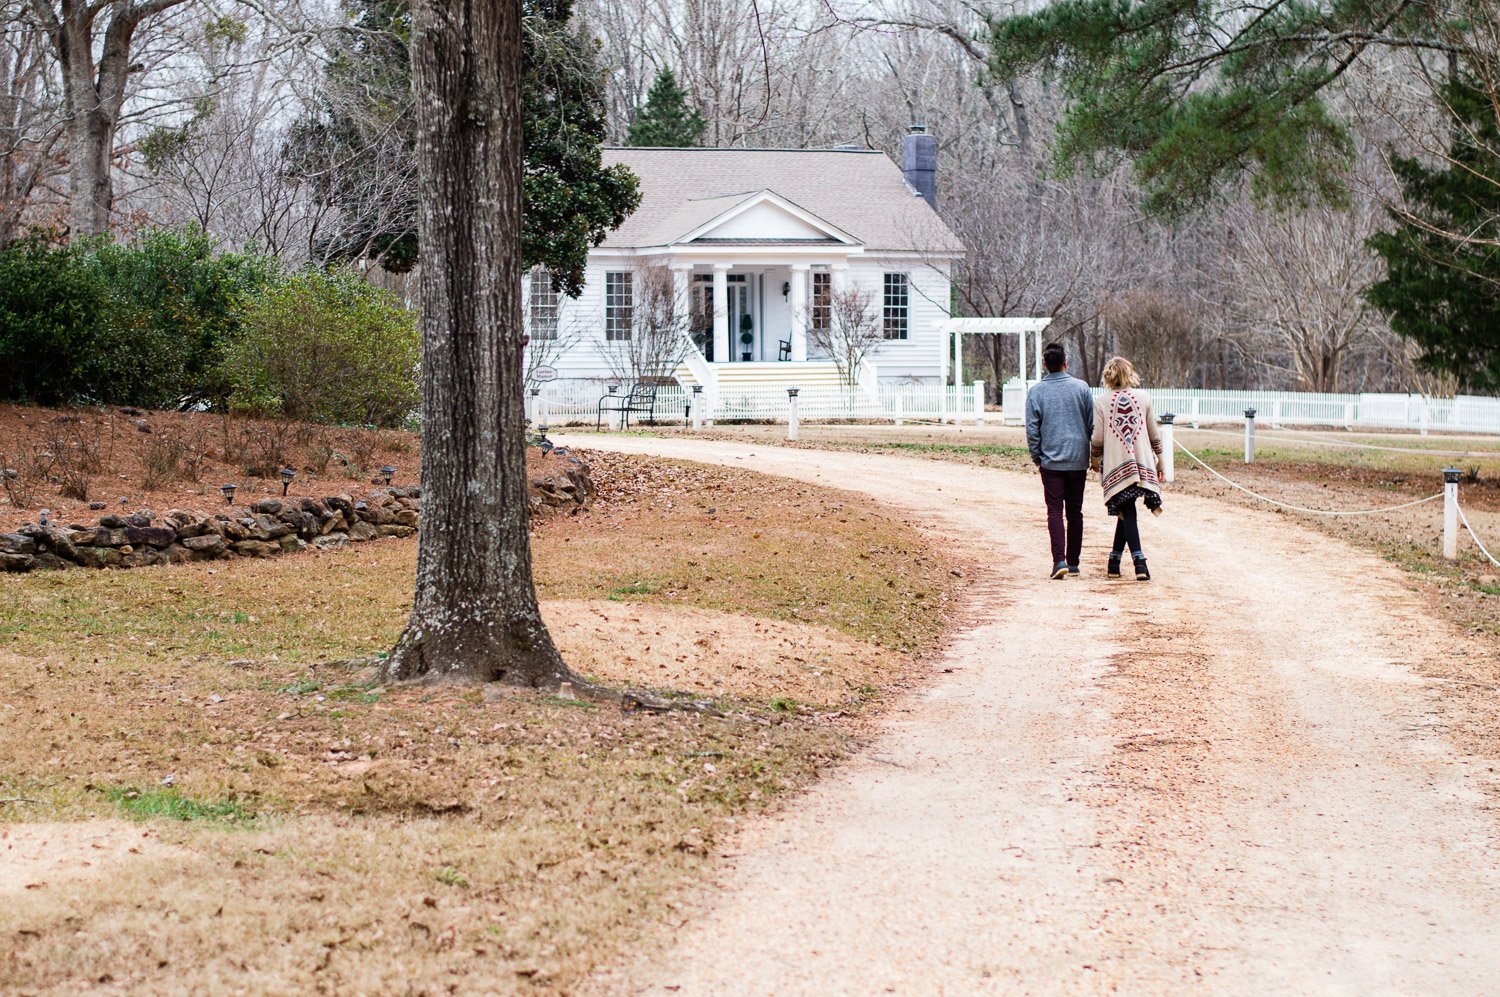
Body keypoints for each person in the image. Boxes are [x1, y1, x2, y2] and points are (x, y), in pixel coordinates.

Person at [1025, 342, 1095, 579]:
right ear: (1066, 363)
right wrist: (1090, 453)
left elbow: (1032, 430)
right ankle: (1073, 562)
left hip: (1051, 461)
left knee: (1054, 510)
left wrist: (1037, 457)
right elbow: (1091, 424)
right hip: (1077, 459)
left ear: (1045, 364)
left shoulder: (1036, 392)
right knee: (1075, 511)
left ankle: (1059, 561)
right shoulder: (1082, 388)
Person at [1090, 356, 1164, 581]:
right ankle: (1119, 562)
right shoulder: (1144, 397)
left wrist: (1094, 459)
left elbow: (1098, 438)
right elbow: (1153, 433)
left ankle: (1135, 562)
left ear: (1108, 375)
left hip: (1116, 463)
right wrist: (1160, 459)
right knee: (1127, 508)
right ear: (1130, 374)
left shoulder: (1101, 402)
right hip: (1141, 463)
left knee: (1127, 508)